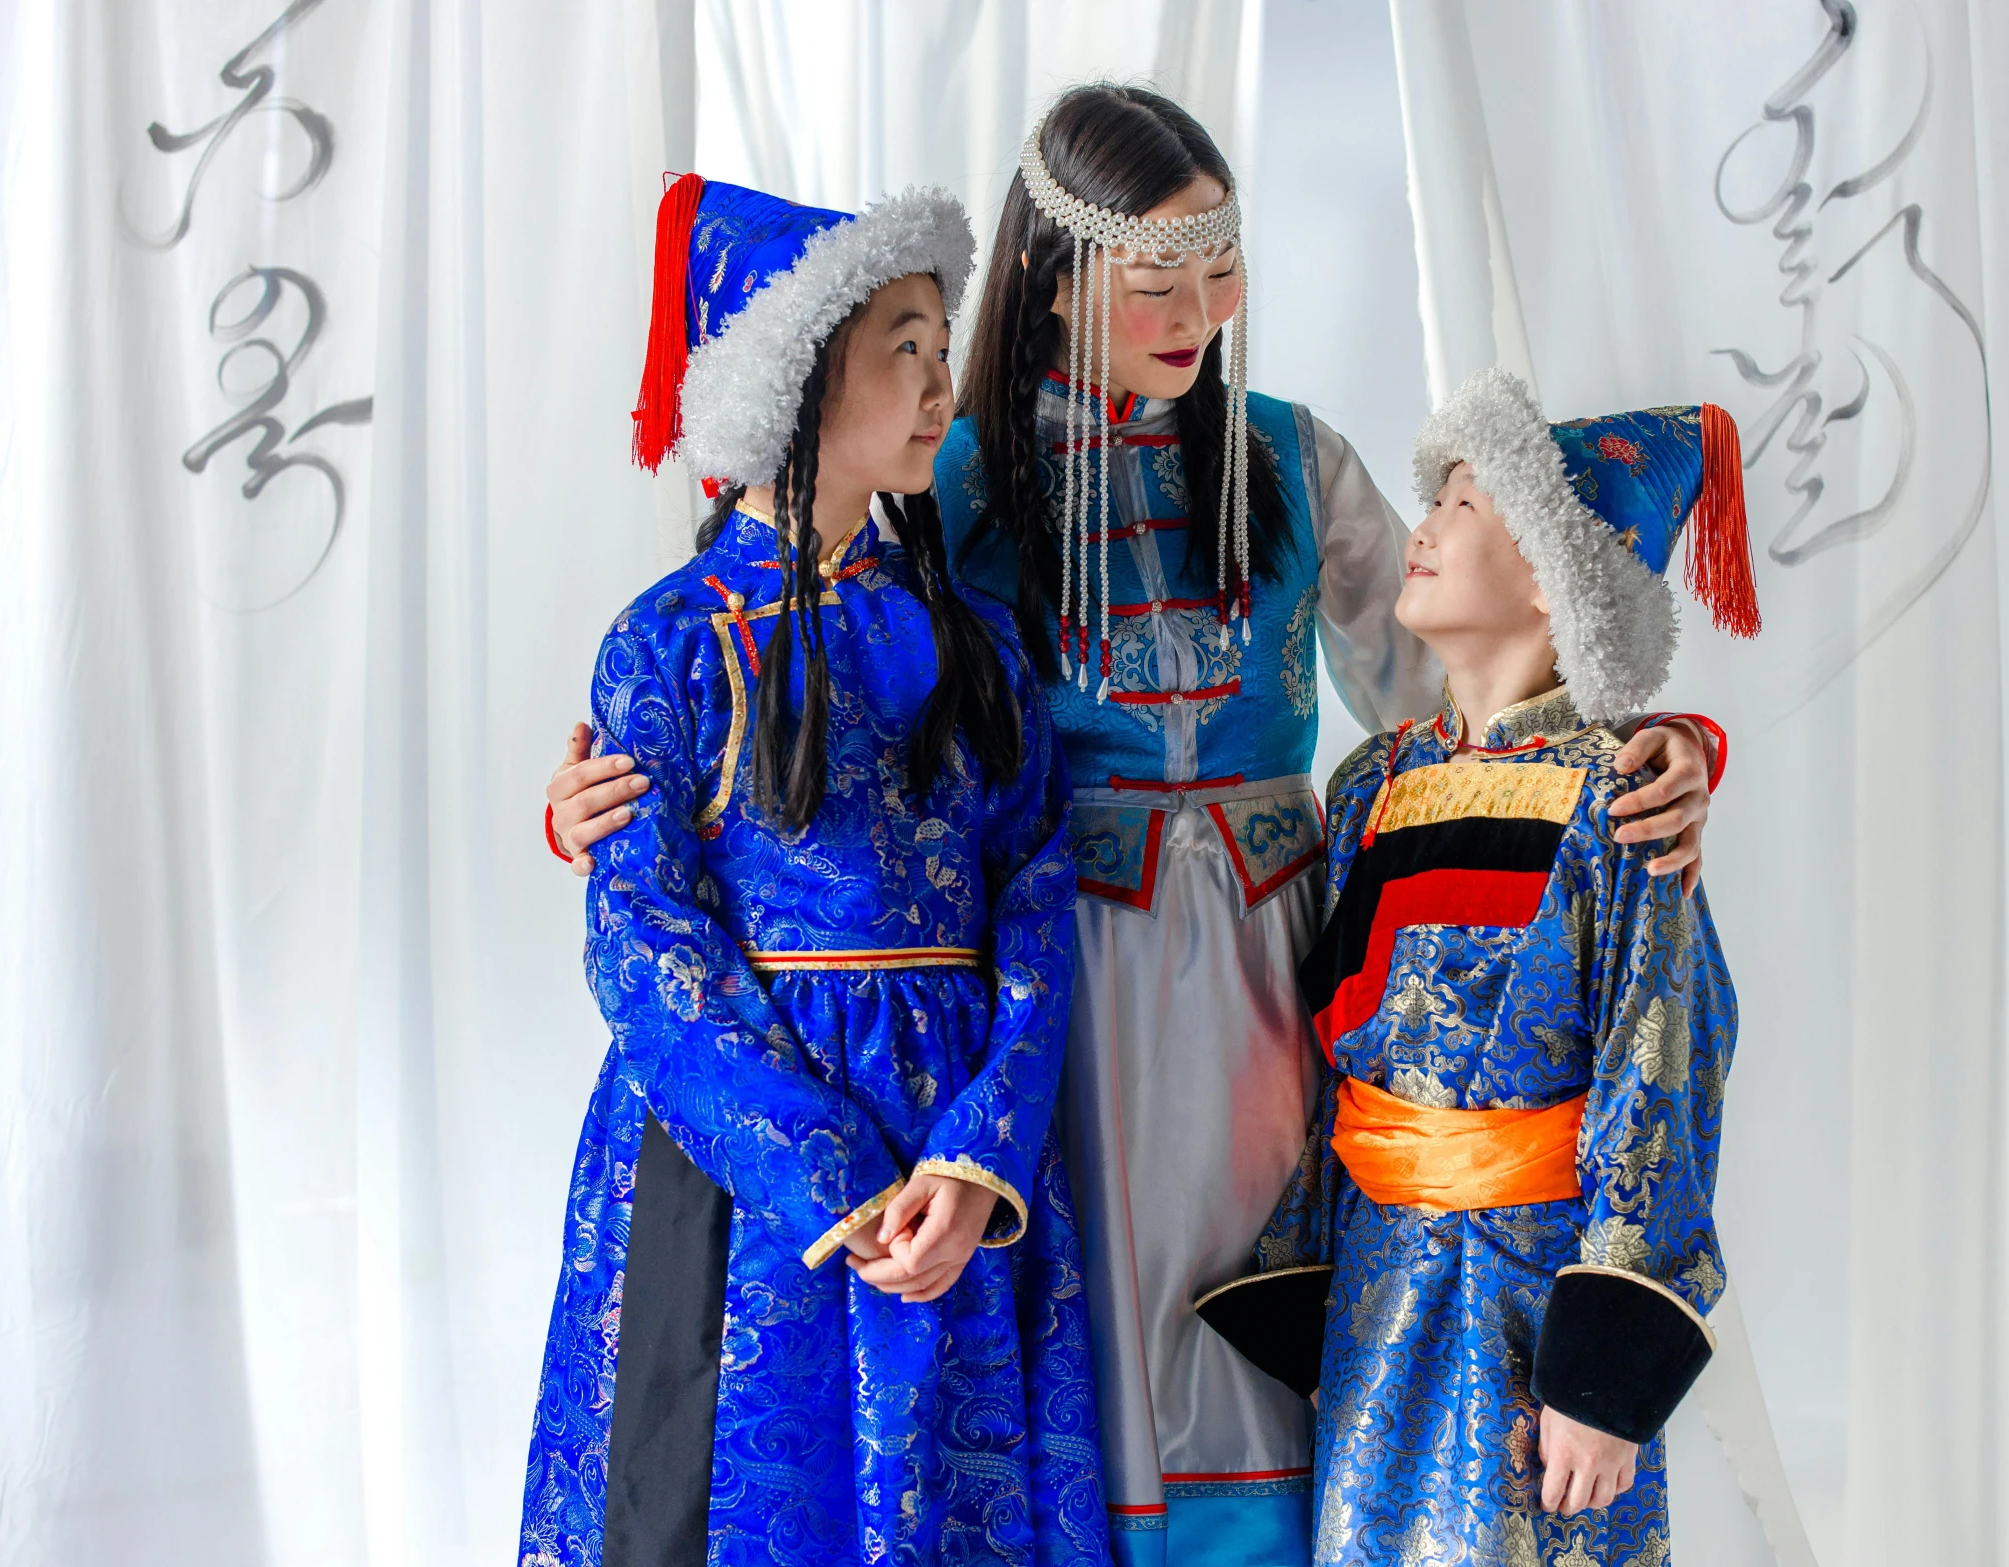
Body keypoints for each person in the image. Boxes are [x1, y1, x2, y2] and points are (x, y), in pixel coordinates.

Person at [546, 86, 1720, 1566]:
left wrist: (1654, 740)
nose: (1199, 310)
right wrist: (605, 798)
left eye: (1219, 268)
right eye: (1155, 279)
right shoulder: (952, 474)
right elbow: (809, 706)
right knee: (1086, 1341)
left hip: (1274, 969)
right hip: (1060, 979)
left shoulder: (1291, 459)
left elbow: (1479, 696)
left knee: (1268, 1318)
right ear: (1052, 276)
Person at [518, 174, 1107, 1567]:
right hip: (744, 1160)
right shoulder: (667, 640)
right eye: (902, 344)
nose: (936, 383)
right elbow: (646, 951)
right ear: (794, 374)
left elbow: (1032, 891)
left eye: (938, 342)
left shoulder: (972, 638)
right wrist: (831, 1171)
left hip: (951, 1136)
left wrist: (975, 1152)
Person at [1248, 370, 1749, 1566]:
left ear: (1548, 571)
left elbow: (1661, 1062)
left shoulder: (1616, 792)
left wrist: (1606, 1372)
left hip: (1532, 1294)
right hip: (1379, 1282)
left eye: (1463, 503)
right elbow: (1330, 1060)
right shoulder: (1369, 783)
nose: (1420, 527)